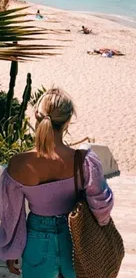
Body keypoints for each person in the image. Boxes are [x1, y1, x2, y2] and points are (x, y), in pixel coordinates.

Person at [0, 87, 114, 278]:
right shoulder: (83, 160)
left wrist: (12, 250)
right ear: (68, 121)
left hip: (36, 241)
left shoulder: (18, 164)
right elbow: (101, 206)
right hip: (75, 240)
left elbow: (11, 215)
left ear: (37, 117)